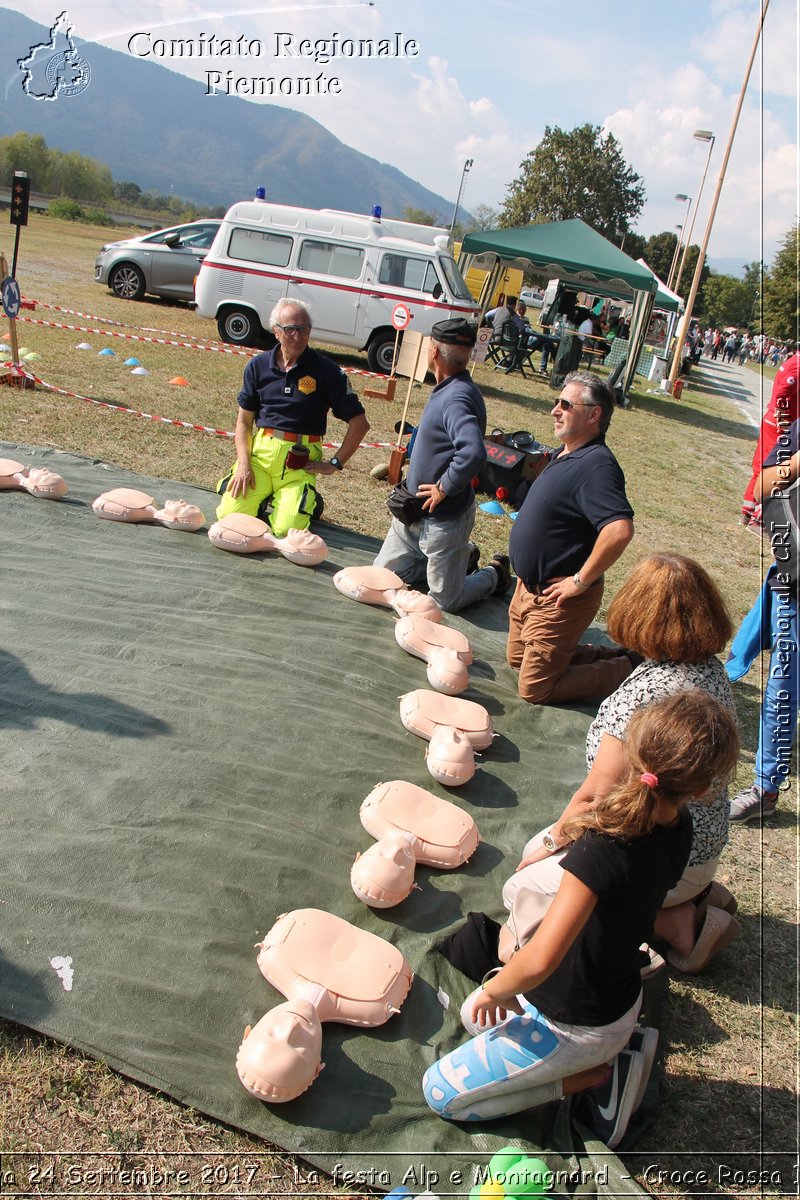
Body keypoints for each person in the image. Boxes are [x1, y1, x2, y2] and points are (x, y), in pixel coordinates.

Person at [422, 691, 739, 1144]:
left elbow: (541, 960)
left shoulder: (602, 850)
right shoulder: (678, 828)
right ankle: (591, 1057)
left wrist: (492, 989)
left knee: (439, 1092)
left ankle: (591, 1077)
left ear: (632, 750)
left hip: (577, 1025)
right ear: (703, 789)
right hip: (611, 998)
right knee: (481, 1019)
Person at [503, 553, 740, 973]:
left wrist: (549, 845)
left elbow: (595, 796)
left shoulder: (644, 697)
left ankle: (673, 921)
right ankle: (690, 897)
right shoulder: (711, 672)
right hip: (695, 847)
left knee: (522, 887)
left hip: (661, 861)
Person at [506, 371, 635, 705]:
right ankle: (611, 655)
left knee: (535, 689)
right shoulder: (567, 451)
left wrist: (579, 581)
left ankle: (632, 667)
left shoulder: (598, 467)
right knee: (517, 662)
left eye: (565, 404)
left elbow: (619, 530)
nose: (555, 410)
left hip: (559, 601)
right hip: (527, 592)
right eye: (556, 402)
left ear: (594, 415)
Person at [373, 318, 511, 612]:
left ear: (433, 352)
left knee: (444, 601)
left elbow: (473, 453)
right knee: (381, 580)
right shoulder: (450, 388)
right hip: (411, 513)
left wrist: (444, 487)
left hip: (442, 519)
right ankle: (462, 557)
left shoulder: (456, 397)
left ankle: (494, 574)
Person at [216, 299, 369, 536]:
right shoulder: (257, 366)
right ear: (276, 332)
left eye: (304, 328)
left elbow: (360, 424)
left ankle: (306, 500)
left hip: (300, 463)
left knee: (288, 530)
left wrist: (334, 464)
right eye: (290, 330)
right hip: (261, 457)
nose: (298, 336)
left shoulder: (328, 372)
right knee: (229, 518)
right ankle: (263, 495)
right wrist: (244, 464)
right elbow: (244, 423)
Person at [729, 418, 799, 822]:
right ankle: (766, 789)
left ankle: (765, 789)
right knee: (770, 679)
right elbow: (762, 485)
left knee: (783, 690)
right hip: (789, 579)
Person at [741, 351, 799, 523]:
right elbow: (782, 393)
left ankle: (749, 511)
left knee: (762, 466)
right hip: (778, 423)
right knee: (776, 469)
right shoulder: (798, 366)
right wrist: (784, 423)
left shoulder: (794, 360)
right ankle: (758, 517)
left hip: (773, 420)